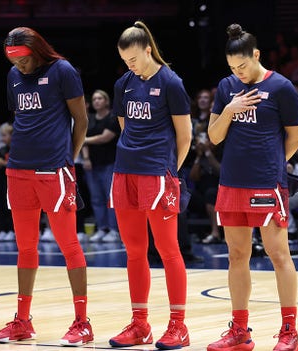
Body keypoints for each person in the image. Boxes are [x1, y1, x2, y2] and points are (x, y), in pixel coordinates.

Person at [0, 26, 93, 346]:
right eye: (12, 60)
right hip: (18, 170)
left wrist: (68, 160)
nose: (18, 65)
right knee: (25, 248)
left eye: (22, 59)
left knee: (68, 245)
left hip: (54, 171)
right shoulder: (13, 77)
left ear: (36, 50)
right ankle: (22, 321)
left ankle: (82, 322)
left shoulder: (62, 71)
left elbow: (82, 121)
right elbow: (21, 118)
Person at [207, 24, 298, 351]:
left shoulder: (281, 87)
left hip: (266, 183)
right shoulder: (226, 87)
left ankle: (289, 331)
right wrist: (230, 110)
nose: (239, 73)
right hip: (232, 181)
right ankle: (240, 332)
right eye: (233, 68)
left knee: (278, 254)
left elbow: (296, 137)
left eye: (243, 66)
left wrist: (275, 163)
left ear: (256, 56)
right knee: (237, 256)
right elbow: (214, 136)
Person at [108, 21, 192, 350]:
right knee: (134, 252)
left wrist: (170, 171)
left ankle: (178, 326)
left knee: (169, 250)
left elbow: (185, 137)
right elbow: (124, 128)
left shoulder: (171, 83)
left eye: (133, 59)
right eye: (124, 61)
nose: (129, 66)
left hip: (158, 174)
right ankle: (140, 324)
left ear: (147, 49)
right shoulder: (123, 85)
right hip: (125, 172)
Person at [83, 89, 120, 243]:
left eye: (100, 98)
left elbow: (105, 138)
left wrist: (84, 140)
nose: (97, 101)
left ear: (106, 101)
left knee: (110, 197)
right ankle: (102, 228)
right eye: (94, 99)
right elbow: (83, 140)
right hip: (93, 164)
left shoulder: (112, 118)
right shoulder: (89, 119)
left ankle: (114, 230)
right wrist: (86, 158)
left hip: (110, 164)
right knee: (96, 198)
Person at [0, 123, 14, 242]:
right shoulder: (1, 150)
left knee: (10, 207)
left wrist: (4, 163)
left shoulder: (17, 150)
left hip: (11, 182)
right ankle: (3, 230)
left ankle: (11, 230)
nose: (2, 138)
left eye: (5, 135)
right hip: (1, 181)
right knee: (0, 205)